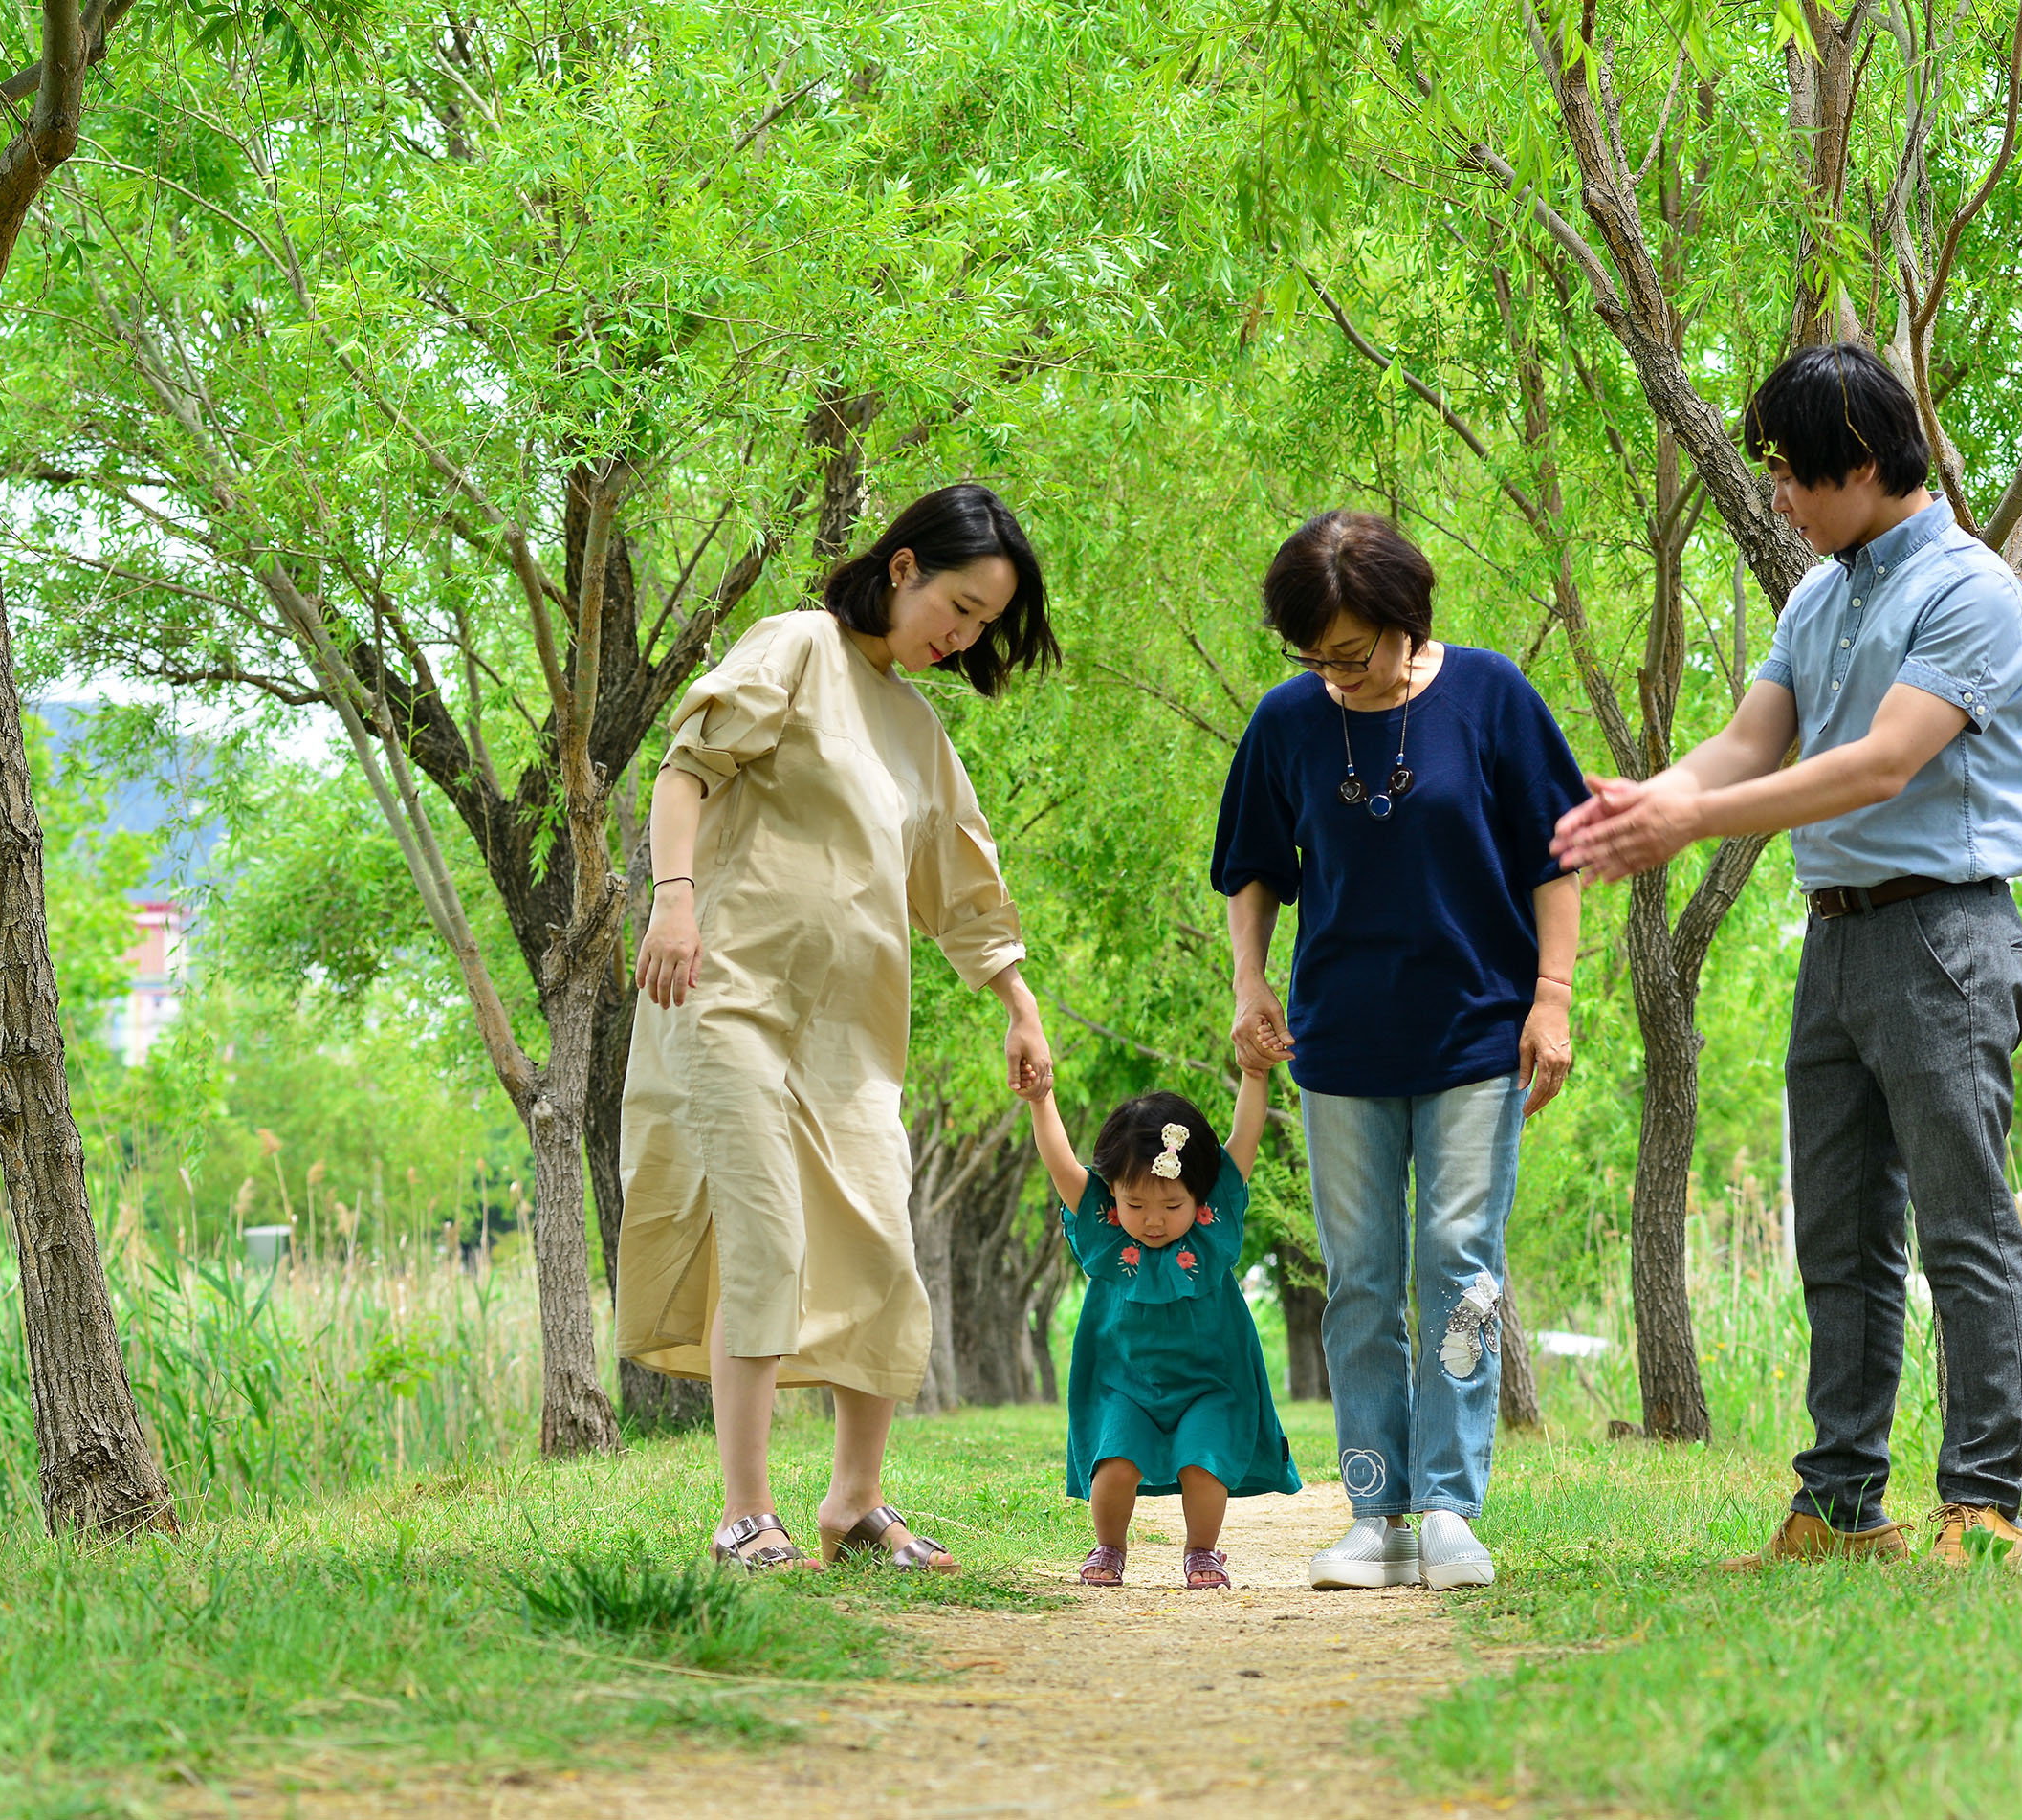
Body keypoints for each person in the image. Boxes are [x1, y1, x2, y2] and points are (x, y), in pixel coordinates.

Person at [1552, 342, 2022, 1568]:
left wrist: (1694, 821)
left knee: (1962, 1226)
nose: (1776, 496)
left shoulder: (1973, 592)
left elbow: (1882, 762)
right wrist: (1652, 800)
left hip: (1943, 935)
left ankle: (1986, 1506)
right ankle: (1840, 1509)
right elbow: (1747, 742)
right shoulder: (1818, 599)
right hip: (1834, 941)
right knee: (1839, 1238)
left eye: (1790, 473)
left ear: (1862, 463)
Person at [618, 483, 1060, 1573]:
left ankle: (854, 1506)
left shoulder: (916, 729)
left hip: (853, 1040)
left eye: (984, 624)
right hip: (731, 997)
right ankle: (745, 1514)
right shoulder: (798, 645)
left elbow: (962, 887)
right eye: (959, 607)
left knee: (881, 1253)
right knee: (766, 1240)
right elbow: (687, 768)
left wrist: (1018, 1003)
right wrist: (674, 899)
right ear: (903, 567)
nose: (963, 637)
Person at [1213, 510, 1589, 1592]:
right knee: (1362, 1281)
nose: (1338, 675)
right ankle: (1376, 1512)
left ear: (1406, 619)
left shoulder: (1491, 695)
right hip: (1340, 1043)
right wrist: (1249, 980)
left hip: (1475, 1033)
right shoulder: (1287, 721)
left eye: (1354, 651)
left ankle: (1451, 1509)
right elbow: (1253, 865)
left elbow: (1556, 852)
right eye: (1318, 658)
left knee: (1460, 1264)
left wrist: (1552, 997)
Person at [1021, 1076, 1302, 1590]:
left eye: (1172, 1206)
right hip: (1123, 1384)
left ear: (1199, 1193)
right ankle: (1109, 1546)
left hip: (1210, 1384)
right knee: (1114, 1463)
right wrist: (1042, 1099)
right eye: (1135, 1204)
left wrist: (1255, 1074)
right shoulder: (1104, 1226)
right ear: (1112, 1193)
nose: (1153, 1221)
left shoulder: (1212, 1221)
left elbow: (1245, 1136)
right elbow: (1060, 1162)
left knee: (1203, 1465)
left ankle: (1202, 1551)